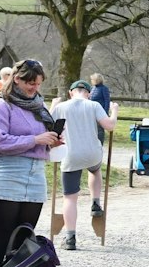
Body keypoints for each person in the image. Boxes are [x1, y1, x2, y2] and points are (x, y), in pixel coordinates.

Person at [0, 60, 60, 267]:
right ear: (17, 80)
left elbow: (39, 138)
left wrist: (51, 140)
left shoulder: (39, 106)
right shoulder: (1, 105)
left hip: (35, 173)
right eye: (30, 83)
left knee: (25, 232)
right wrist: (35, 139)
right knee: (2, 232)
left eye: (38, 83)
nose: (35, 87)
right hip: (7, 172)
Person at [49, 81, 116, 250]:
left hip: (70, 155)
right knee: (95, 169)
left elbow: (48, 126)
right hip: (92, 154)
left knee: (70, 198)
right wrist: (114, 112)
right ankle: (95, 202)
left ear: (71, 93)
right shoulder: (94, 104)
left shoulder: (62, 106)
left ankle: (70, 237)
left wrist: (53, 106)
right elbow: (110, 126)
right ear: (87, 93)